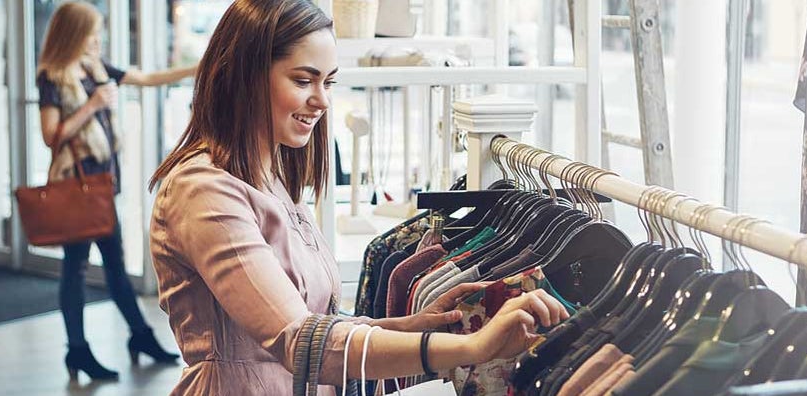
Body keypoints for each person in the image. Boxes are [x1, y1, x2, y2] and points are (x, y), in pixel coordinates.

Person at [146, 1, 571, 394]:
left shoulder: (271, 176)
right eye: (303, 80)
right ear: (245, 75)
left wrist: (411, 327)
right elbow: (300, 342)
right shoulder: (203, 191)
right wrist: (473, 348)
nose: (322, 100)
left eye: (328, 82)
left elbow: (316, 325)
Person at [35, 1, 197, 381]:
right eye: (92, 31)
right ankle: (80, 350)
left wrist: (201, 66)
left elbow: (148, 79)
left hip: (101, 185)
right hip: (77, 186)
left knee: (114, 265)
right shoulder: (53, 76)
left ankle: (137, 336)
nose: (97, 38)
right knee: (76, 269)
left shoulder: (94, 67)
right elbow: (50, 136)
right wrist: (92, 105)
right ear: (74, 32)